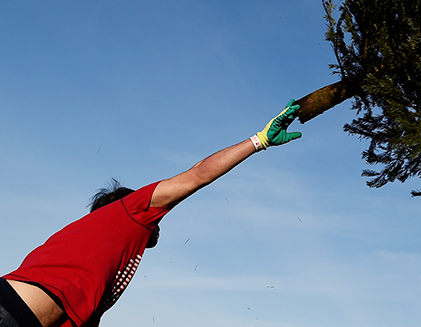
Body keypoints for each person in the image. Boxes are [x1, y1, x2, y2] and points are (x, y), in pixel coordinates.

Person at [1, 99, 302, 327]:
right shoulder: (129, 213)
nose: (159, 222)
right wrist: (259, 140)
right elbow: (198, 176)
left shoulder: (98, 255)